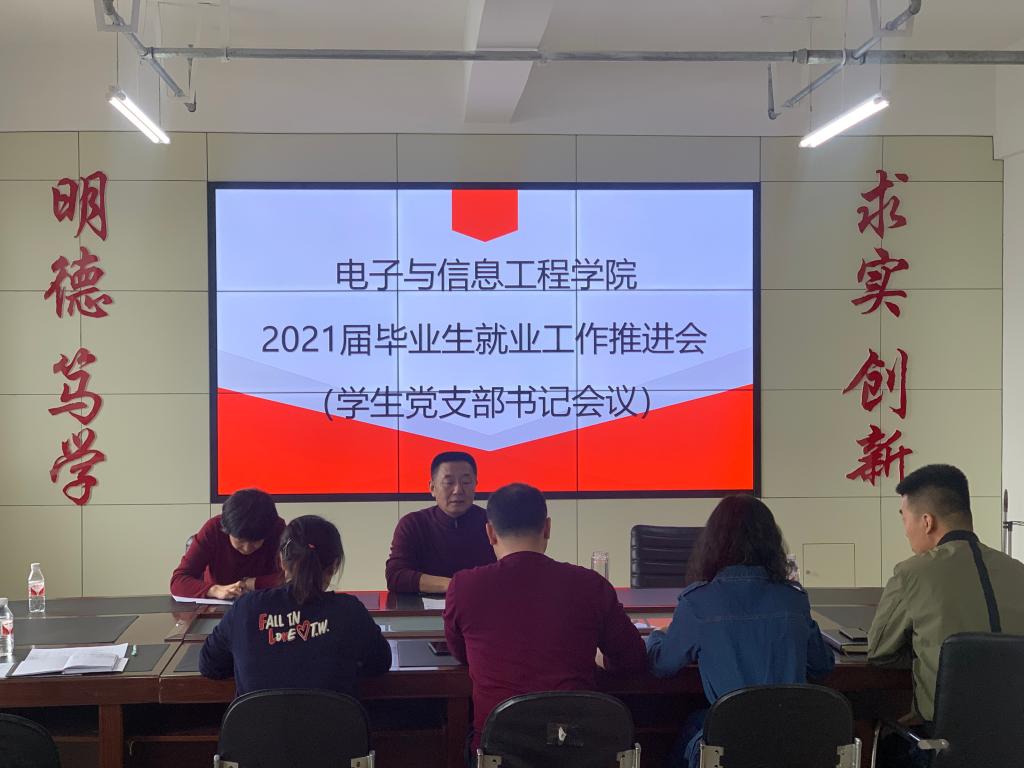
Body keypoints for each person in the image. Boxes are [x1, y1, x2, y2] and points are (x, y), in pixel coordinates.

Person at [443, 482, 647, 752]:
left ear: (490, 533)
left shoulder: (464, 587)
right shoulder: (590, 585)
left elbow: (461, 654)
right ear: (548, 528)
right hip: (575, 749)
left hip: (499, 754)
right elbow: (633, 659)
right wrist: (599, 657)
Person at [646, 495, 834, 768]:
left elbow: (661, 665)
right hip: (791, 743)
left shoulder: (698, 602)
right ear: (772, 543)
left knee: (687, 728)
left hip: (730, 746)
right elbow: (822, 665)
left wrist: (658, 635)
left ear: (713, 543)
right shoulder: (793, 599)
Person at [868, 464, 1024, 767]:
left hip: (944, 746)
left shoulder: (912, 573)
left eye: (904, 519)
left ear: (927, 522)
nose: (906, 530)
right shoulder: (1019, 572)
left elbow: (880, 652)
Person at [199, 515, 392, 696]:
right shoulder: (350, 612)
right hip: (333, 722)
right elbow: (379, 664)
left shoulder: (246, 609)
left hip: (258, 722)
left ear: (282, 561)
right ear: (334, 566)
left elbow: (209, 665)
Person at [385, 451, 496, 593]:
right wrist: (453, 585)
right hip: (425, 606)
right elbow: (396, 576)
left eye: (466, 482)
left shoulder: (494, 523)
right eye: (449, 483)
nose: (458, 490)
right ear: (432, 488)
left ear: (475, 485)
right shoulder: (413, 524)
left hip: (483, 602)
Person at [171, 488, 287, 600]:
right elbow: (178, 581)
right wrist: (215, 590)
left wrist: (251, 583)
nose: (247, 548)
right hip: (219, 605)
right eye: (240, 540)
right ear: (226, 529)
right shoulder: (213, 529)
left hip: (264, 602)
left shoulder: (277, 528)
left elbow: (292, 577)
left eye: (255, 541)